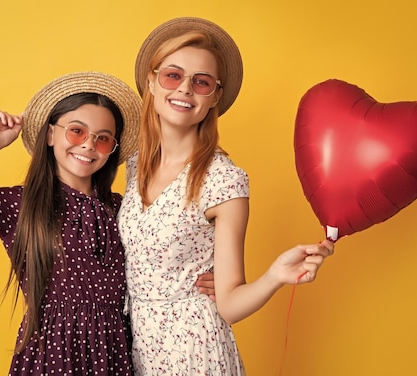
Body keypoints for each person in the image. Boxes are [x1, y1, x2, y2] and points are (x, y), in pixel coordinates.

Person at [0, 71, 215, 375]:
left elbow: (168, 256)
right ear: (51, 134)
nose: (89, 145)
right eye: (76, 131)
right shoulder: (21, 205)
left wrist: (212, 280)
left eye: (103, 139)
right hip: (51, 355)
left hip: (117, 353)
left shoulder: (123, 208)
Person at [118, 17, 335, 375]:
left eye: (201, 82)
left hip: (192, 350)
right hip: (138, 345)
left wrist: (275, 275)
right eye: (173, 75)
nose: (185, 89)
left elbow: (229, 302)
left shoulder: (223, 180)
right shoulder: (134, 165)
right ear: (152, 83)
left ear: (214, 97)